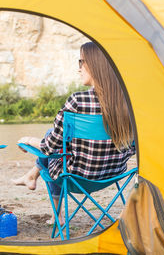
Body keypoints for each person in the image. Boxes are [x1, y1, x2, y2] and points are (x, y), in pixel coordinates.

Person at [13, 41, 135, 223]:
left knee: (52, 144)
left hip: (76, 177)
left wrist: (27, 139)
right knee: (58, 143)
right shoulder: (129, 101)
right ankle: (32, 175)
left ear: (94, 65)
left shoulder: (77, 101)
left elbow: (48, 148)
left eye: (81, 62)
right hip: (115, 174)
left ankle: (57, 214)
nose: (79, 69)